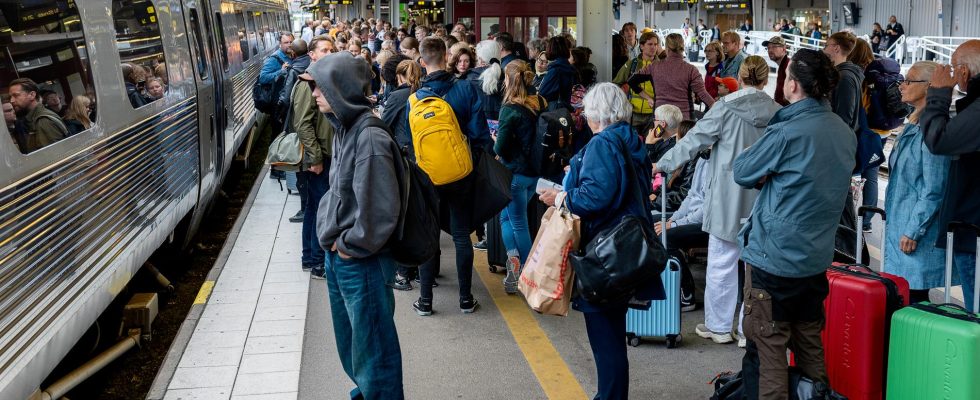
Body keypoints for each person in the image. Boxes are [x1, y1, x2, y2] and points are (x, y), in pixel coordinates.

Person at [733, 48, 855, 400]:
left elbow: (743, 171)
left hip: (774, 258)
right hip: (815, 259)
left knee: (769, 347)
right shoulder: (843, 132)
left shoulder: (787, 131)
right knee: (809, 343)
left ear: (793, 85)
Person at [538, 83, 663, 400]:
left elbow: (596, 196)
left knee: (604, 335)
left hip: (604, 250)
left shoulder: (602, 144)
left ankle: (609, 396)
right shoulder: (628, 138)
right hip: (624, 246)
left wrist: (561, 197)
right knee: (612, 333)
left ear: (595, 113)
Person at [653, 56, 781, 346]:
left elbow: (693, 140)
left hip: (727, 197)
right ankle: (749, 332)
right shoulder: (778, 113)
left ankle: (719, 327)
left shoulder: (725, 108)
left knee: (721, 264)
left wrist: (661, 163)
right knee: (757, 269)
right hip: (764, 200)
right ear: (764, 80)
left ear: (742, 78)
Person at [307, 51, 405, 400]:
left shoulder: (369, 138)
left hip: (360, 261)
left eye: (319, 88)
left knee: (374, 354)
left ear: (340, 88)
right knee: (355, 350)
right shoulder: (345, 129)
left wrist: (349, 247)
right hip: (344, 257)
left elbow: (379, 211)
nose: (314, 95)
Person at [413, 37, 491, 316]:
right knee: (461, 235)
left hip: (428, 177)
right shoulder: (466, 89)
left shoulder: (414, 99)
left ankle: (425, 301)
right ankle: (466, 299)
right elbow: (480, 135)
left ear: (422, 62)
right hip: (460, 175)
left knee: (429, 235)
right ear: (446, 56)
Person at [883, 61, 950, 304]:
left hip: (913, 233)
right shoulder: (913, 123)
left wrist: (913, 230)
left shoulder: (931, 129)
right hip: (901, 226)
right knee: (903, 298)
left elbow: (934, 188)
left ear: (930, 86)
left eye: (910, 81)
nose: (902, 85)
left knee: (913, 301)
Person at [920, 39, 980, 312]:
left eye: (955, 69)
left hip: (972, 229)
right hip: (971, 225)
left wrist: (938, 95)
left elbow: (940, 140)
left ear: (965, 72)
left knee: (976, 310)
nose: (953, 76)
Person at [494, 60, 545, 294]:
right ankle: (515, 263)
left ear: (509, 81)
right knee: (509, 218)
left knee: (515, 222)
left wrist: (495, 142)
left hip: (514, 174)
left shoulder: (510, 110)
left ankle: (524, 272)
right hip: (535, 173)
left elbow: (500, 148)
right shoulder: (540, 102)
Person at [291, 37, 334, 280]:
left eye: (331, 49)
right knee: (320, 209)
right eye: (324, 50)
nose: (329, 52)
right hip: (320, 156)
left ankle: (310, 258)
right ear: (312, 54)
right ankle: (317, 262)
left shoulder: (320, 77)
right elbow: (303, 124)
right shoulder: (307, 81)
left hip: (322, 153)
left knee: (313, 207)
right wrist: (315, 157)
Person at [655, 128, 708, 313]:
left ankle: (687, 295)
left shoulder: (718, 164)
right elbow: (691, 196)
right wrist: (673, 219)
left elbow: (706, 210)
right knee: (652, 225)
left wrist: (674, 224)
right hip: (690, 216)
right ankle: (662, 286)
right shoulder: (702, 159)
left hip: (707, 223)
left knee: (666, 237)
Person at [634, 33, 715, 119]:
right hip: (683, 119)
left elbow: (632, 81)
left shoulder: (654, 67)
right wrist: (718, 108)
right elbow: (703, 94)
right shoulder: (691, 70)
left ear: (667, 48)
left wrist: (648, 98)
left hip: (661, 118)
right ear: (682, 47)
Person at [613, 31, 662, 131]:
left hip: (654, 114)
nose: (653, 47)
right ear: (642, 46)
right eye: (650, 44)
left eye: (655, 44)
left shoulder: (662, 66)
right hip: (633, 114)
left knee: (651, 144)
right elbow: (616, 84)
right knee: (633, 144)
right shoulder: (632, 64)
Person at [8, 78, 68, 153]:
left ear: (32, 95)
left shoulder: (43, 121)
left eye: (16, 95)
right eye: (10, 97)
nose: (12, 100)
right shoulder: (33, 118)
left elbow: (52, 157)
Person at [537, 36, 579, 110]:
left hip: (552, 112)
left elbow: (542, 94)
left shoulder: (555, 70)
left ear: (551, 49)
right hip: (564, 110)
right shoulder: (568, 67)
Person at [763, 36, 790, 106]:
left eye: (774, 47)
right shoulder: (783, 66)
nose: (770, 50)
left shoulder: (789, 66)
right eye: (768, 48)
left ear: (784, 48)